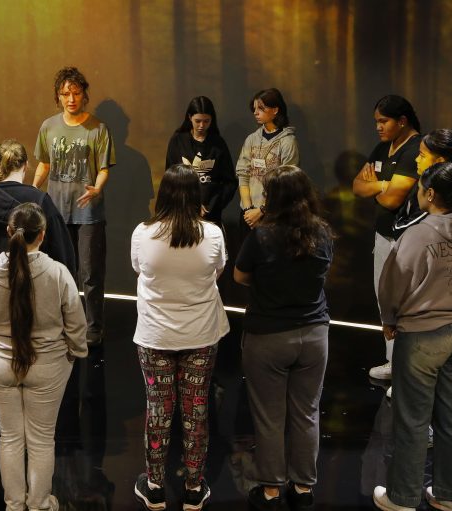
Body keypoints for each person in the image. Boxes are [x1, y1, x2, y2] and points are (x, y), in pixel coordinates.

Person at [372, 163, 452, 511]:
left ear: (431, 194)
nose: (418, 193)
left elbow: (393, 283)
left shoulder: (419, 234)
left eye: (421, 188)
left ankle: (402, 498)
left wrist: (389, 320)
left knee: (413, 419)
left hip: (422, 333)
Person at [0, 202, 87, 511]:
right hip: (48, 367)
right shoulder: (58, 273)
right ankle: (40, 503)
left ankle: (14, 504)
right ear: (43, 235)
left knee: (9, 438)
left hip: (0, 365)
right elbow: (76, 324)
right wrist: (74, 354)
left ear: (9, 232)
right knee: (41, 440)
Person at [0, 139, 75, 440]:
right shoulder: (41, 202)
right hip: (35, 293)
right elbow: (64, 253)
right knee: (34, 354)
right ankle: (33, 425)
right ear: (26, 166)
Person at [234, 166, 334, 511]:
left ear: (271, 198)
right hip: (314, 335)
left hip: (268, 336)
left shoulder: (261, 236)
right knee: (307, 413)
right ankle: (303, 488)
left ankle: (271, 491)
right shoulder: (321, 233)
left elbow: (240, 275)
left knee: (269, 416)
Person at [131, 165, 229, 511]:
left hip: (156, 334)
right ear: (196, 196)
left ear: (164, 194)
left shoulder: (143, 233)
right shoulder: (213, 234)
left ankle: (155, 486)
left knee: (158, 407)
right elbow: (218, 271)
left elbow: (138, 268)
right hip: (200, 333)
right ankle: (193, 487)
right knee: (196, 408)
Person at [33, 66, 115, 346]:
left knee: (90, 274)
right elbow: (44, 163)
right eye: (65, 94)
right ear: (58, 96)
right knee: (58, 271)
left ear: (84, 95)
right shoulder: (48, 126)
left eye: (76, 93)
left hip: (88, 213)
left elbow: (104, 167)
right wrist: (33, 191)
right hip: (57, 211)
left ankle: (94, 327)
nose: (71, 98)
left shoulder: (98, 128)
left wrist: (98, 187)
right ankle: (61, 323)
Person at [352, 94, 421, 382]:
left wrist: (378, 186)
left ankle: (411, 374)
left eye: (384, 121)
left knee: (408, 304)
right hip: (383, 236)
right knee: (386, 302)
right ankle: (394, 363)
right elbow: (357, 186)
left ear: (402, 121)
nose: (378, 127)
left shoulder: (417, 148)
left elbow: (393, 200)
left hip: (409, 238)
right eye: (376, 122)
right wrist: (383, 183)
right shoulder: (383, 148)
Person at [165, 96, 237, 226]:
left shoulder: (218, 143)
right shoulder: (178, 141)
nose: (201, 126)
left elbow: (230, 182)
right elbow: (169, 179)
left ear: (212, 120)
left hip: (211, 216)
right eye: (197, 121)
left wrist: (212, 206)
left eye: (206, 121)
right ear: (189, 117)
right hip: (182, 213)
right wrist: (186, 204)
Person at [236, 88, 299, 233]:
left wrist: (261, 210)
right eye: (254, 108)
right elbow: (243, 175)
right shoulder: (251, 139)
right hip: (248, 215)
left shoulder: (288, 141)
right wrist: (248, 210)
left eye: (261, 108)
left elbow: (286, 183)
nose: (255, 112)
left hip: (274, 215)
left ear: (275, 110)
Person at [393, 129, 452, 238]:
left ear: (439, 162)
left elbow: (401, 230)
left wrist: (396, 225)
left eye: (422, 155)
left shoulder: (438, 196)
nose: (417, 159)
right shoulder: (430, 183)